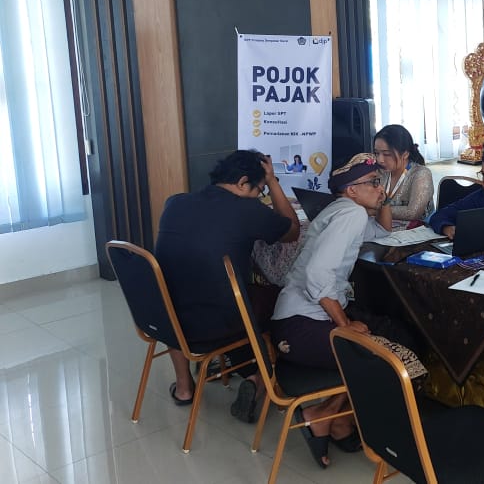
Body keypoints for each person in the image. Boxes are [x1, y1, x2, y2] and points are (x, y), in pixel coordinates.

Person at [269, 153, 425, 468]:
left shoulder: (346, 210)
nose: (380, 187)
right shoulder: (350, 214)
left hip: (298, 319)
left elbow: (382, 233)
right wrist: (344, 325)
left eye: (380, 182)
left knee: (392, 334)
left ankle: (332, 417)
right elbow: (316, 275)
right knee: (389, 358)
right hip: (300, 326)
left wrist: (383, 200)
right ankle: (329, 416)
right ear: (351, 190)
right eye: (373, 183)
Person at [154, 150, 300, 421]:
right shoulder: (247, 210)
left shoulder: (175, 202)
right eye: (259, 190)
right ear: (243, 183)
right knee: (272, 296)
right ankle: (258, 377)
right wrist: (273, 181)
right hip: (217, 325)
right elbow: (292, 231)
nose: (259, 196)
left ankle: (184, 388)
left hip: (163, 320)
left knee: (188, 289)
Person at [371, 124, 434, 230]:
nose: (380, 160)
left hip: (416, 232)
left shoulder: (421, 174)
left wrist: (376, 210)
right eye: (377, 153)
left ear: (405, 154)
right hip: (385, 227)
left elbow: (413, 212)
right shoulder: (380, 172)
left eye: (387, 154)